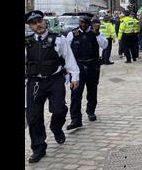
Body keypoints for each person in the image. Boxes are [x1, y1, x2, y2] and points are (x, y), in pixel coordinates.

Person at [24, 10, 80, 163]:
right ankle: (38, 148)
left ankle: (56, 127)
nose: (38, 25)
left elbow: (69, 58)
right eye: (34, 23)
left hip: (54, 80)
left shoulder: (58, 39)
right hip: (35, 82)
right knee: (33, 117)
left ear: (44, 21)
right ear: (30, 26)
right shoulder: (27, 42)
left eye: (40, 21)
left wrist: (75, 76)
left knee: (59, 110)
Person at [66, 14, 108, 129]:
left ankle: (91, 111)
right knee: (75, 94)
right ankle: (75, 119)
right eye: (81, 22)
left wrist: (97, 33)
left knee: (92, 91)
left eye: (85, 23)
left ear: (90, 23)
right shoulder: (72, 34)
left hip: (92, 66)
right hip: (77, 67)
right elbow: (66, 52)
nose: (83, 25)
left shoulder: (95, 33)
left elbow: (104, 45)